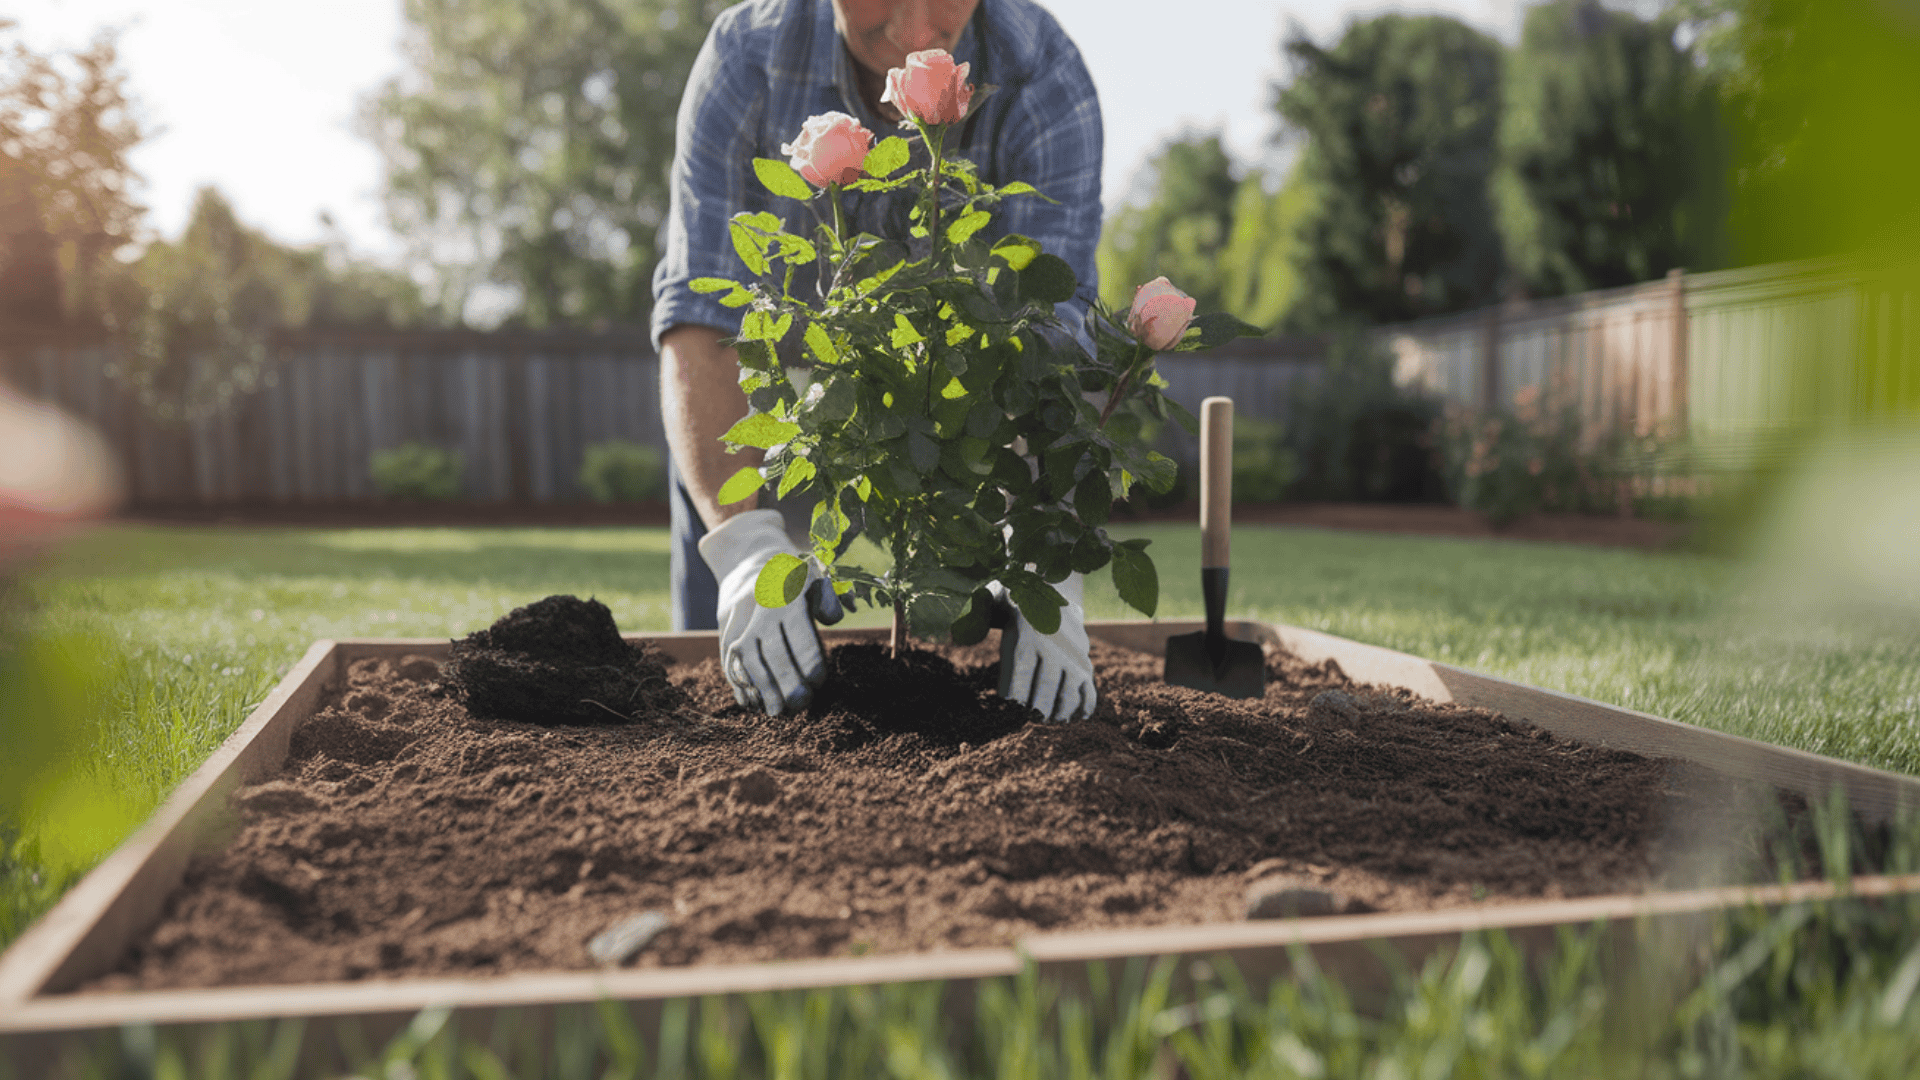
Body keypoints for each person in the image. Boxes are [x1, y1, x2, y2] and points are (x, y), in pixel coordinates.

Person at [651, 0, 1104, 721]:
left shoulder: (1041, 72)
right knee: (722, 625)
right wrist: (741, 547)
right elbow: (701, 318)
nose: (917, 29)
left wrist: (1050, 560)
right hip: (760, 375)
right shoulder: (750, 54)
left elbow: (1050, 332)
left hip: (957, 385)